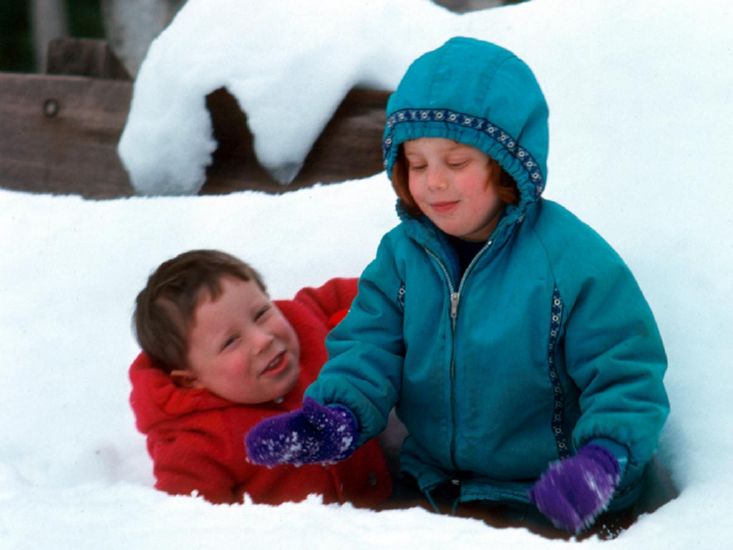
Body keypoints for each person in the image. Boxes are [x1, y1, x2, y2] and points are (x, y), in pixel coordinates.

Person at [245, 37, 669, 534]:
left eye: (457, 162)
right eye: (417, 164)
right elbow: (369, 346)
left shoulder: (571, 262)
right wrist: (336, 415)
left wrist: (601, 462)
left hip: (552, 501)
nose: (433, 183)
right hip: (434, 490)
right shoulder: (402, 257)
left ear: (508, 162)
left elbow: (624, 371)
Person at [129, 249, 391, 506]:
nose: (263, 339)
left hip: (395, 503)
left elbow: (375, 295)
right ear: (191, 380)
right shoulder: (197, 445)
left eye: (261, 314)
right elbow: (187, 525)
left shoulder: (306, 322)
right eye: (231, 341)